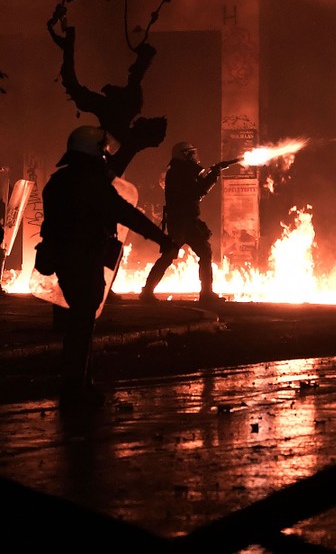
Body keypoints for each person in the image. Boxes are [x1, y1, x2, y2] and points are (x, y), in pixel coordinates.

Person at [35, 126, 174, 406]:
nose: (105, 156)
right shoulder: (91, 184)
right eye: (102, 150)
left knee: (79, 319)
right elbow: (126, 214)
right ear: (92, 151)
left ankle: (78, 383)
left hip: (65, 259)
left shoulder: (59, 181)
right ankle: (75, 387)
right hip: (84, 257)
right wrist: (162, 238)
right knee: (82, 322)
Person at [140, 141, 224, 304]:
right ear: (184, 155)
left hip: (186, 221)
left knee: (203, 252)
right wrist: (214, 175)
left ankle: (206, 293)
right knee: (170, 255)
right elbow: (198, 191)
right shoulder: (179, 172)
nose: (195, 157)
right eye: (191, 154)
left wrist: (212, 173)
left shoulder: (180, 170)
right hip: (182, 223)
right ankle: (148, 291)